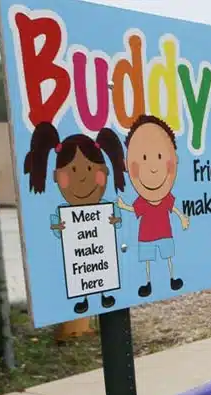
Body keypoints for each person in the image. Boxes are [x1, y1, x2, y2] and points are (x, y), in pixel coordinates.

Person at [23, 121, 126, 315]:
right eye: (72, 172)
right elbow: (55, 225)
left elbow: (116, 216)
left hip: (102, 253)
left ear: (104, 172)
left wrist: (115, 221)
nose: (81, 179)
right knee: (80, 275)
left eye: (89, 170)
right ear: (56, 176)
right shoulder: (63, 211)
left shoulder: (105, 207)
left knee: (104, 272)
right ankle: (83, 299)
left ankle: (105, 295)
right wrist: (58, 227)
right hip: (79, 258)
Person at [116, 114, 190, 298]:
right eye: (143, 158)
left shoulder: (165, 198)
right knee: (148, 261)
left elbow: (173, 208)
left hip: (164, 233)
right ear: (128, 165)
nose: (153, 167)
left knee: (168, 258)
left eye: (158, 156)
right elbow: (136, 210)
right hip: (146, 236)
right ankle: (147, 283)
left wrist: (182, 218)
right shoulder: (143, 200)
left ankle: (173, 278)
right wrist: (124, 206)